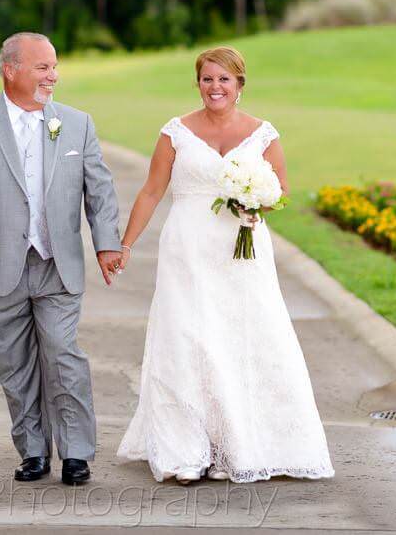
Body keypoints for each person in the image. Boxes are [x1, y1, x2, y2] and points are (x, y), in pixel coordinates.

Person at [115, 46, 336, 484]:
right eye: (207, 79)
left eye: (224, 80)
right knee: (187, 339)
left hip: (243, 253)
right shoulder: (175, 133)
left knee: (242, 337)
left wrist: (257, 203)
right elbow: (151, 192)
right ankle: (186, 451)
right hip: (187, 250)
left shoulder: (264, 134)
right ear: (197, 83)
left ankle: (237, 446)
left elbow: (281, 190)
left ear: (239, 85)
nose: (215, 87)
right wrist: (125, 245)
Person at [0, 32, 123, 486]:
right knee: (14, 364)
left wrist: (106, 243)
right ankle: (33, 450)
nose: (53, 76)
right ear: (10, 70)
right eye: (43, 67)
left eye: (54, 67)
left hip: (58, 263)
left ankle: (76, 453)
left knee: (63, 356)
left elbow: (99, 190)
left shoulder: (76, 124)